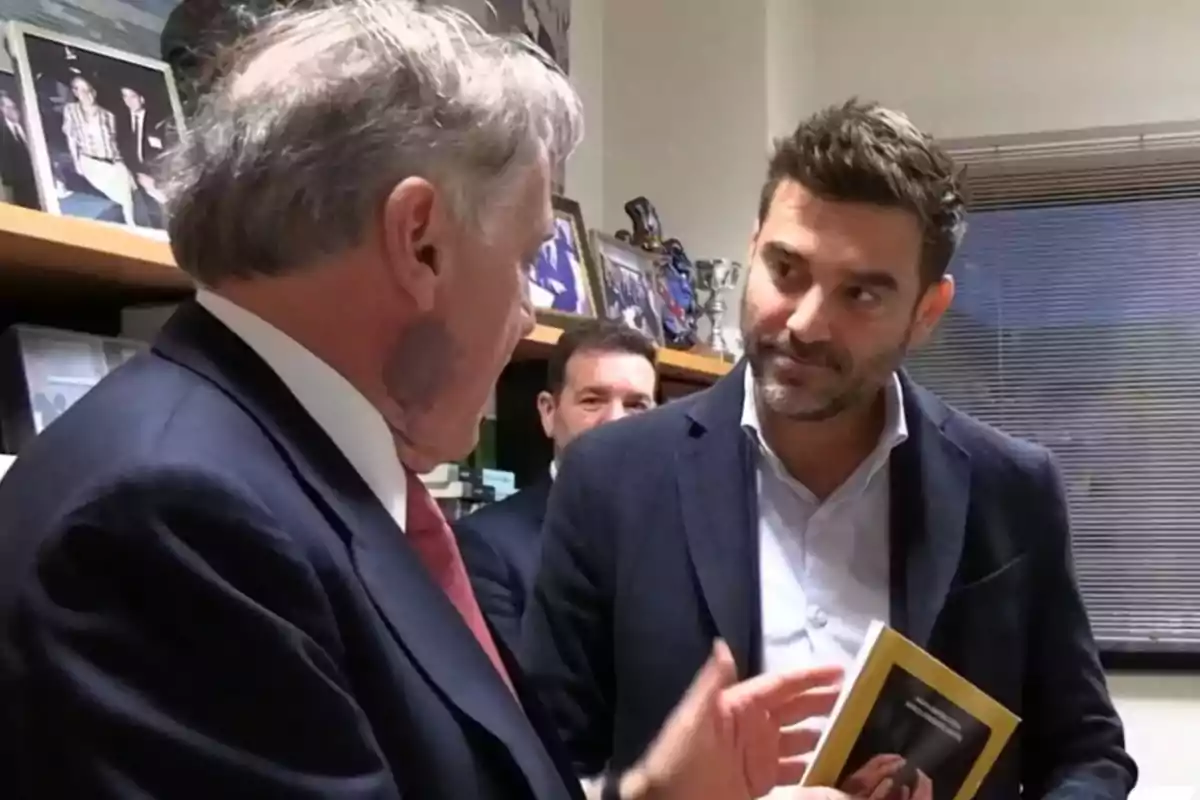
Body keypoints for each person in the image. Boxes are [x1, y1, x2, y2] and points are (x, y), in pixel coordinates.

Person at [0, 3, 849, 798]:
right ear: (421, 243)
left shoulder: (283, 471)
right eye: (524, 261)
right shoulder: (172, 524)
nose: (527, 317)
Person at [522, 99, 1138, 800]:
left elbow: (1089, 758)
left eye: (861, 295)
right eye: (786, 270)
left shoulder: (1010, 488)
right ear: (753, 247)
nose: (807, 323)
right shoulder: (610, 480)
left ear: (926, 313)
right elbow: (542, 767)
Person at [455, 320, 658, 649]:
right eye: (593, 400)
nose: (616, 421)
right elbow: (526, 695)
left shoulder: (683, 536)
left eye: (636, 405)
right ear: (549, 412)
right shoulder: (486, 548)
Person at [0, 89, 39, 209]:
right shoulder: (3, 134)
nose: (12, 110)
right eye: (7, 107)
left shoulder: (29, 126)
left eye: (13, 106)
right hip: (21, 187)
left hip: (39, 180)